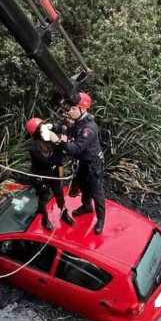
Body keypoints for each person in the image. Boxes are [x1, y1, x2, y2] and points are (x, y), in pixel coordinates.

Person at [49, 92, 107, 235]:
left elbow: (76, 148)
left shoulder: (89, 128)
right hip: (82, 161)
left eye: (73, 109)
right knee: (81, 182)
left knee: (96, 192)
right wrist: (52, 126)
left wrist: (57, 140)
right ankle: (87, 206)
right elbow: (64, 126)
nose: (70, 111)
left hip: (93, 162)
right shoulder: (76, 120)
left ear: (83, 109)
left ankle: (101, 220)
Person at [26, 117, 75, 231]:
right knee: (44, 198)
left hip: (54, 173)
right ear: (36, 134)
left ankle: (64, 214)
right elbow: (48, 161)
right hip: (42, 175)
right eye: (41, 130)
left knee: (59, 194)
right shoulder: (33, 147)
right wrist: (61, 148)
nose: (44, 131)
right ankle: (44, 219)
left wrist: (58, 136)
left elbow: (61, 126)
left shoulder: (50, 137)